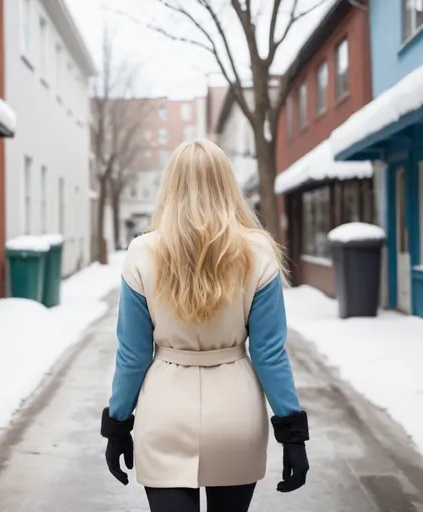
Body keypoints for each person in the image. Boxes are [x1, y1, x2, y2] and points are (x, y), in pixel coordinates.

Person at [100, 140, 310, 512]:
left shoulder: (142, 252)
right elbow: (269, 352)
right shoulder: (258, 251)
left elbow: (132, 355)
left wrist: (118, 426)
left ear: (171, 186)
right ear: (227, 186)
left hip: (164, 412)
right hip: (236, 414)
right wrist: (292, 434)